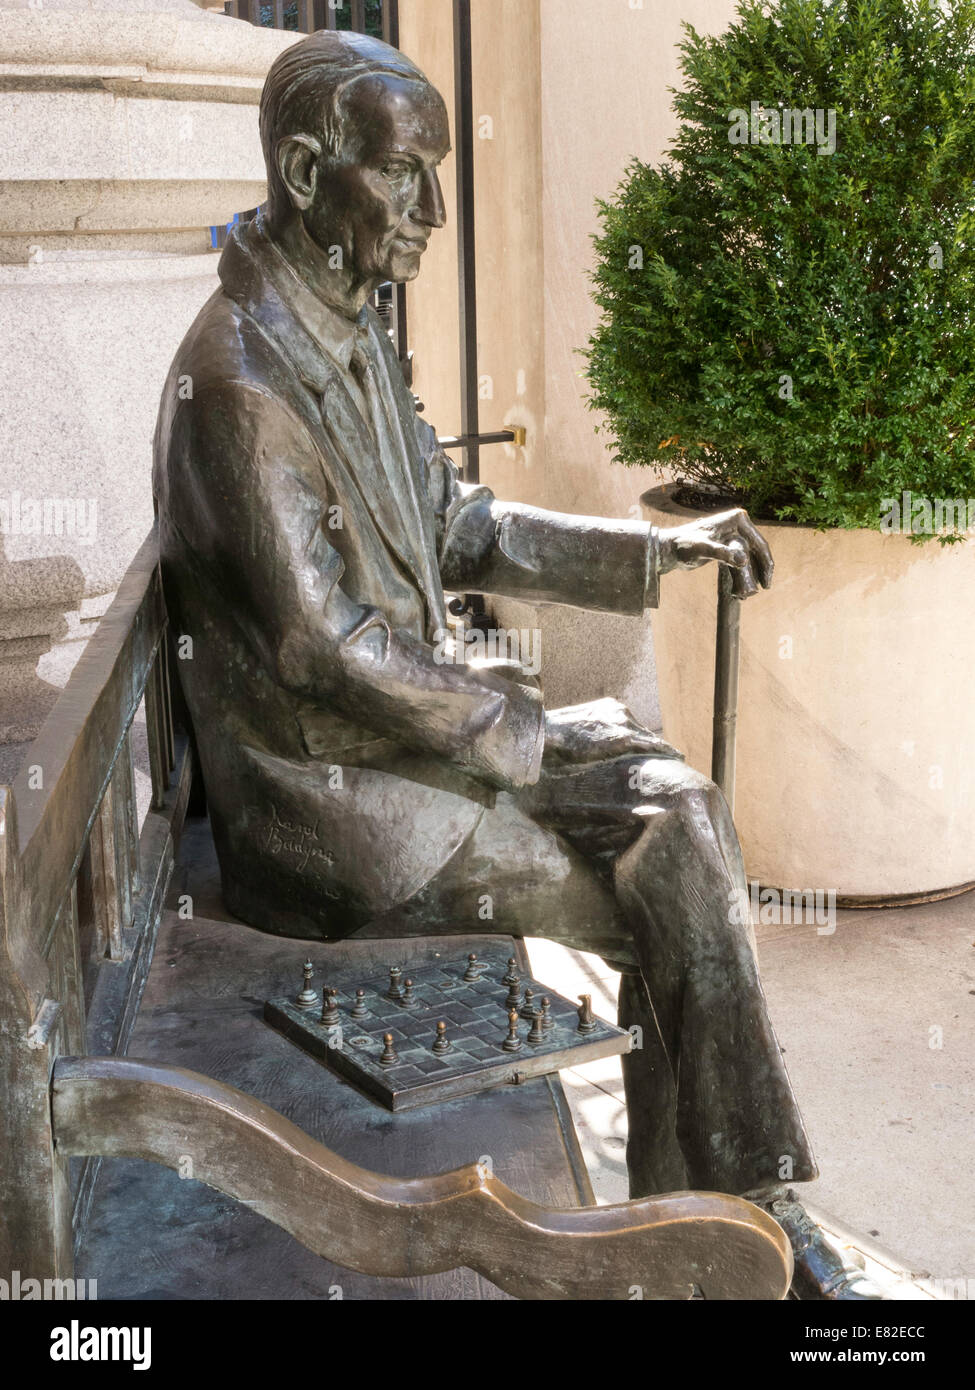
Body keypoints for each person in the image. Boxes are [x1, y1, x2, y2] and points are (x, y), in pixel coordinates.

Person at [153, 29, 878, 1299]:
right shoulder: (244, 379)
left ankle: (708, 1223)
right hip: (342, 820)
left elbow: (458, 521)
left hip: (412, 750)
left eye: (440, 171)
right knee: (680, 873)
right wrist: (523, 733)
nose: (435, 207)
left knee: (680, 817)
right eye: (406, 173)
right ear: (310, 167)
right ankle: (733, 1229)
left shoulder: (346, 328)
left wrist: (648, 554)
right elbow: (325, 652)